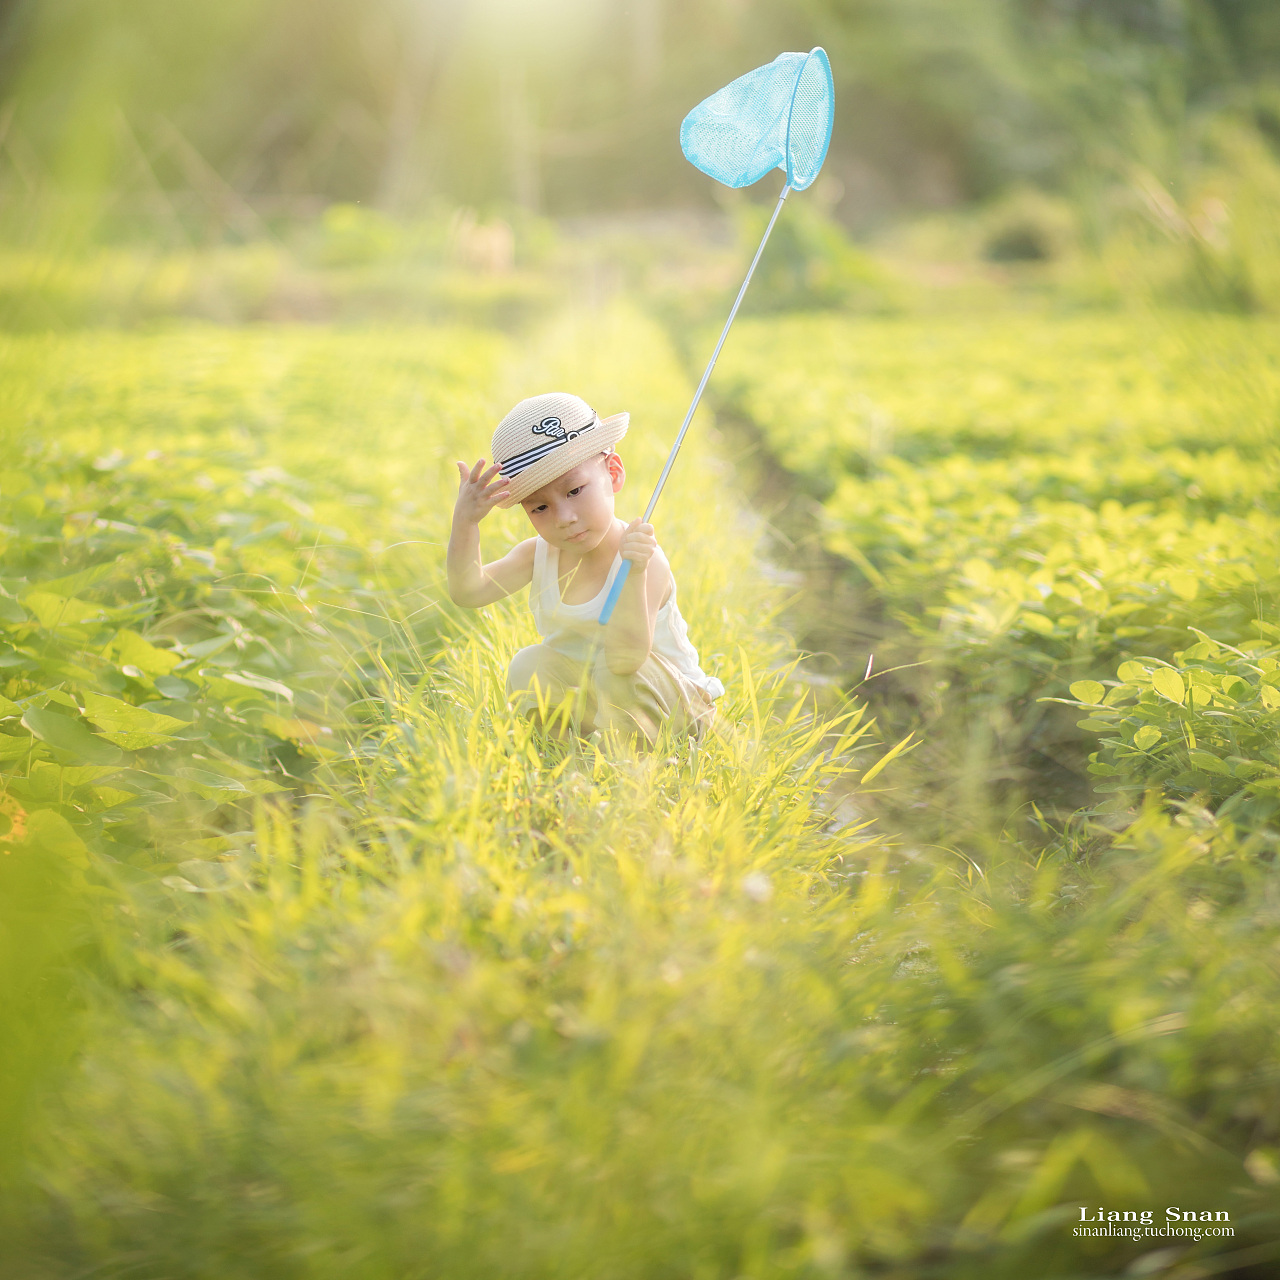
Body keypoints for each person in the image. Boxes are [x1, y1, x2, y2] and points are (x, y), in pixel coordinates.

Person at [446, 391, 725, 747]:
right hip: (599, 704)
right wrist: (465, 522)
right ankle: (573, 756)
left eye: (575, 491)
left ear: (613, 473)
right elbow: (468, 591)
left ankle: (638, 768)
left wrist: (633, 572)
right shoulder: (538, 556)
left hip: (675, 710)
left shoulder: (644, 559)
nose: (564, 518)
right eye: (540, 508)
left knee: (615, 673)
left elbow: (626, 659)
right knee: (527, 664)